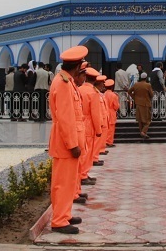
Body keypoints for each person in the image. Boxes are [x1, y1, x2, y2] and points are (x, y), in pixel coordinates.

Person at [48, 45, 88, 234]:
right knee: (63, 183)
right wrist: (72, 144)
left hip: (67, 142)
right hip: (66, 144)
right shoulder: (63, 83)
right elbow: (65, 117)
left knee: (68, 182)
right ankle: (59, 220)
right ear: (78, 65)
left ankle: (64, 214)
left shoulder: (66, 81)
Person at [78, 67, 103, 186]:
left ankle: (83, 174)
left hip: (80, 121)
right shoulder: (93, 92)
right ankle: (83, 175)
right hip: (88, 124)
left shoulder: (79, 89)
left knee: (83, 151)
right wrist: (98, 129)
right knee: (87, 152)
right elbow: (95, 113)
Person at [128, 72, 153, 139]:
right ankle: (143, 132)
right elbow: (152, 95)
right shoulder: (148, 85)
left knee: (140, 120)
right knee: (147, 120)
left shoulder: (136, 84)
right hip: (146, 104)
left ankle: (142, 132)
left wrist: (134, 97)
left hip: (138, 104)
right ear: (146, 78)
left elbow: (129, 91)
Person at [103, 79, 119, 148]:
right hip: (111, 112)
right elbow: (116, 106)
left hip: (105, 112)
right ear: (112, 87)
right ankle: (109, 142)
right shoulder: (114, 95)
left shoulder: (103, 94)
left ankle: (105, 141)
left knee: (106, 128)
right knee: (111, 128)